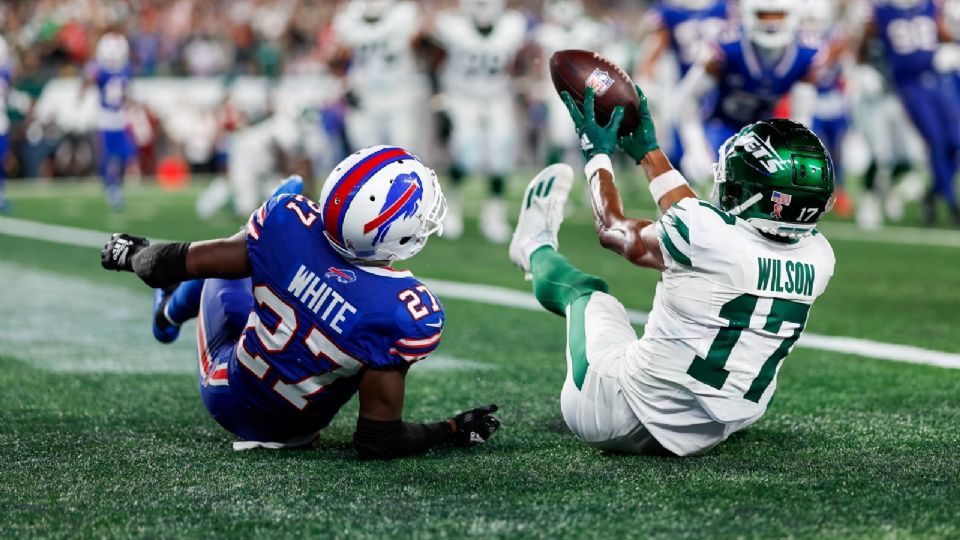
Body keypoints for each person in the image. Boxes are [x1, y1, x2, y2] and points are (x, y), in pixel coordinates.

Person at [101, 147, 501, 458]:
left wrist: (133, 253)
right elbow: (378, 441)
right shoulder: (404, 312)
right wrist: (449, 429)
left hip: (228, 394)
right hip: (297, 428)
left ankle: (167, 314)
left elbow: (173, 262)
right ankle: (168, 313)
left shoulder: (288, 222)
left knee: (233, 255)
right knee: (354, 335)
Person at [508, 85, 835, 456]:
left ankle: (532, 245)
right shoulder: (819, 256)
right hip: (717, 424)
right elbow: (704, 234)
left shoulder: (703, 235)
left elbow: (613, 230)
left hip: (617, 415)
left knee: (588, 292)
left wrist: (597, 155)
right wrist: (649, 151)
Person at [675, 0, 822, 183]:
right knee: (716, 191)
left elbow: (801, 116)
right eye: (764, 15)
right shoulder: (729, 46)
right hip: (721, 125)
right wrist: (694, 147)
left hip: (765, 132)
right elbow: (688, 98)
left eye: (778, 16)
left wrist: (796, 155)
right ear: (747, 14)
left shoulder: (805, 52)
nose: (771, 24)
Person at [430, 0, 528, 243]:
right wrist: (439, 98)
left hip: (498, 99)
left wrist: (523, 82)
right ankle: (450, 207)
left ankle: (494, 215)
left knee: (500, 156)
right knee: (465, 154)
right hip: (462, 99)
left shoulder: (512, 25)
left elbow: (522, 58)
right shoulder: (452, 25)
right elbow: (432, 57)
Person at [866, 0, 960, 225]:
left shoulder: (929, 6)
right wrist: (868, 68)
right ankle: (952, 203)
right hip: (909, 85)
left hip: (937, 78)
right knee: (936, 143)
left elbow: (944, 34)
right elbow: (864, 43)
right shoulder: (881, 11)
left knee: (956, 140)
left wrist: (950, 46)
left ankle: (933, 193)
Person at [331, 0, 430, 155]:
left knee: (404, 149)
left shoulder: (404, 14)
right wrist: (345, 83)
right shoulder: (349, 17)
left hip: (400, 93)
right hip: (366, 95)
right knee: (366, 153)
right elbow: (337, 56)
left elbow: (421, 39)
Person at [81, 32, 136, 210]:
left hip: (119, 118)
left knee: (126, 155)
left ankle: (114, 185)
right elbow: (87, 82)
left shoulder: (125, 69)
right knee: (108, 157)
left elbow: (126, 93)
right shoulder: (99, 70)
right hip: (105, 119)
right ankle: (111, 188)